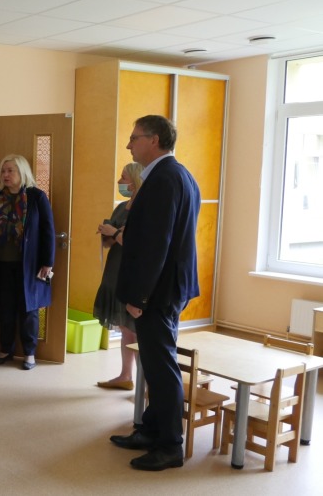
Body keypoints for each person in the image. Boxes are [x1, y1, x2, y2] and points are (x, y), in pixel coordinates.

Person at [110, 115, 200, 472]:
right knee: (153, 361)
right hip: (167, 286)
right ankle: (150, 430)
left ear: (155, 140)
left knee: (162, 368)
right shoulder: (177, 174)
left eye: (135, 138)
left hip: (159, 291)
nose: (129, 145)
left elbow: (155, 245)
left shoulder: (164, 179)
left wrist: (140, 297)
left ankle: (170, 445)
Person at [0, 155, 54, 371]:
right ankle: (6, 349)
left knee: (29, 310)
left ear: (22, 172)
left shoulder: (37, 197)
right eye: (3, 171)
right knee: (5, 309)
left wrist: (48, 262)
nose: (6, 175)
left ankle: (29, 353)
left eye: (10, 170)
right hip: (1, 264)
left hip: (29, 266)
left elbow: (48, 230)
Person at [94, 162, 144, 390]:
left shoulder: (144, 208)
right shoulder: (122, 207)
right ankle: (126, 375)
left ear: (135, 180)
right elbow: (109, 242)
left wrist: (115, 232)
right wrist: (107, 234)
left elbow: (135, 244)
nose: (120, 182)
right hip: (115, 272)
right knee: (125, 330)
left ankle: (145, 385)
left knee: (137, 332)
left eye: (123, 177)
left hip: (133, 274)